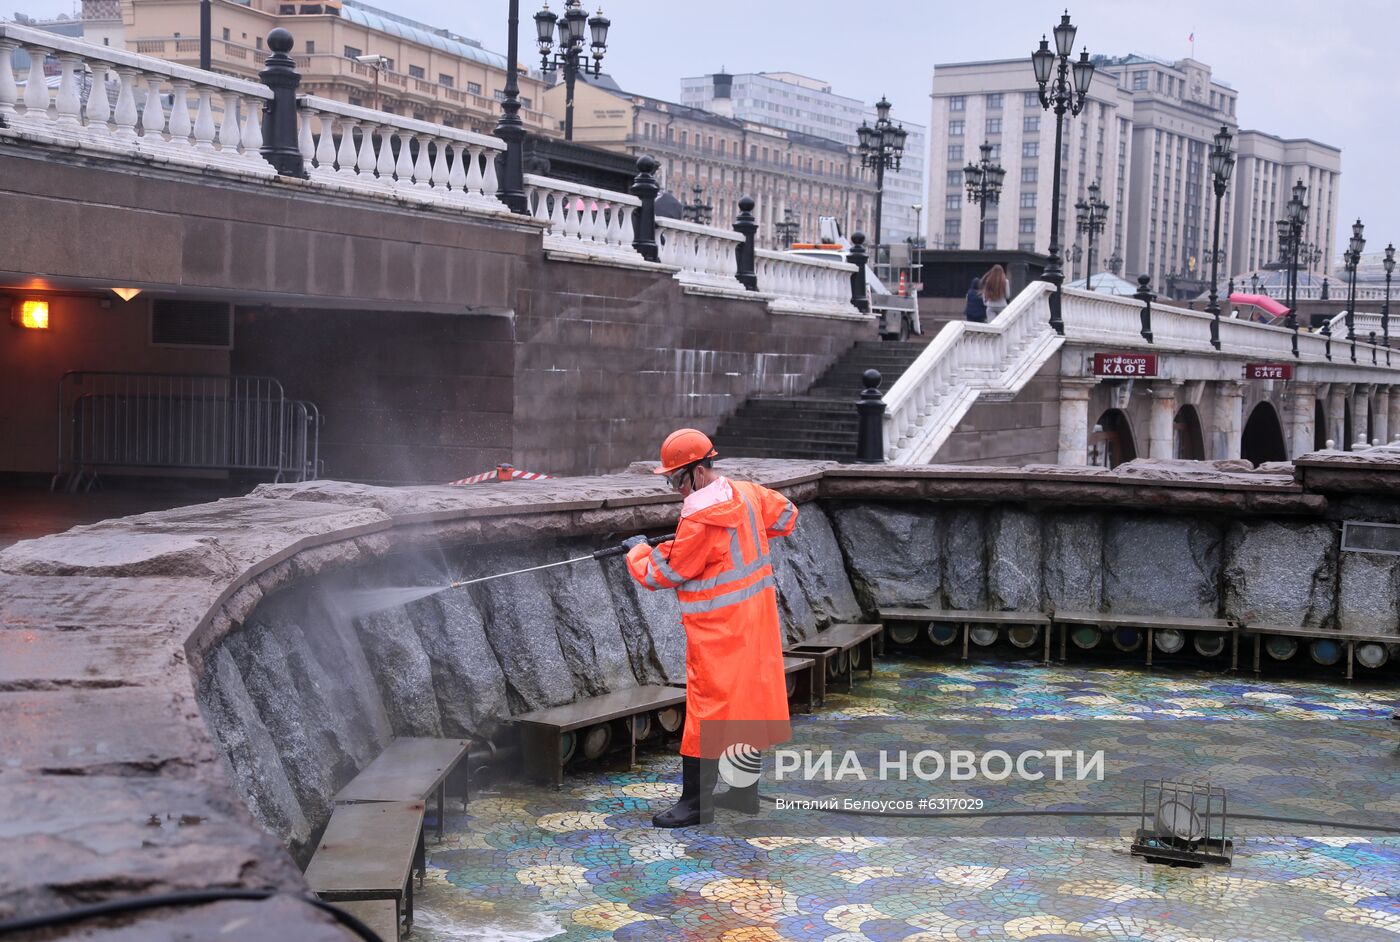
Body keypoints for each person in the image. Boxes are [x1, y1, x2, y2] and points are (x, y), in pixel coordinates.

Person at [624, 428, 797, 827]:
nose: (675, 488)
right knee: (746, 704)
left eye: (676, 479)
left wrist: (636, 550)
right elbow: (787, 516)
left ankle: (695, 805)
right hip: (756, 622)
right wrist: (749, 531)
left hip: (719, 631)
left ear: (699, 472)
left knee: (709, 710)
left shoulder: (701, 517)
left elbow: (663, 571)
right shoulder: (748, 493)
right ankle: (742, 793)